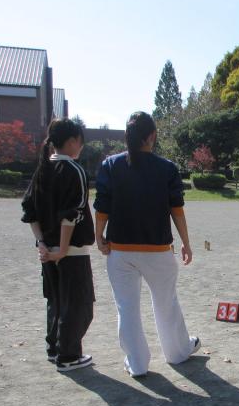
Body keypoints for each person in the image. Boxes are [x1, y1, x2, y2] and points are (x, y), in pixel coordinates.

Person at [93, 111, 200, 377]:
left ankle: (137, 363)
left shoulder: (110, 165)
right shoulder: (167, 168)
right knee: (166, 303)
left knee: (126, 307)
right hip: (157, 251)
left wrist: (99, 237)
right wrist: (186, 243)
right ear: (152, 136)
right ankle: (177, 352)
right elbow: (177, 210)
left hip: (121, 250)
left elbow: (102, 207)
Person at [21, 118, 95, 372]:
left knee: (56, 301)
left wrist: (42, 244)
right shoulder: (74, 171)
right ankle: (68, 355)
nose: (81, 148)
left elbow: (30, 211)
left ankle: (55, 349)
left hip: (48, 252)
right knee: (79, 304)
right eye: (80, 142)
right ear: (73, 141)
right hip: (70, 252)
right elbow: (70, 216)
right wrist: (62, 250)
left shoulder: (42, 170)